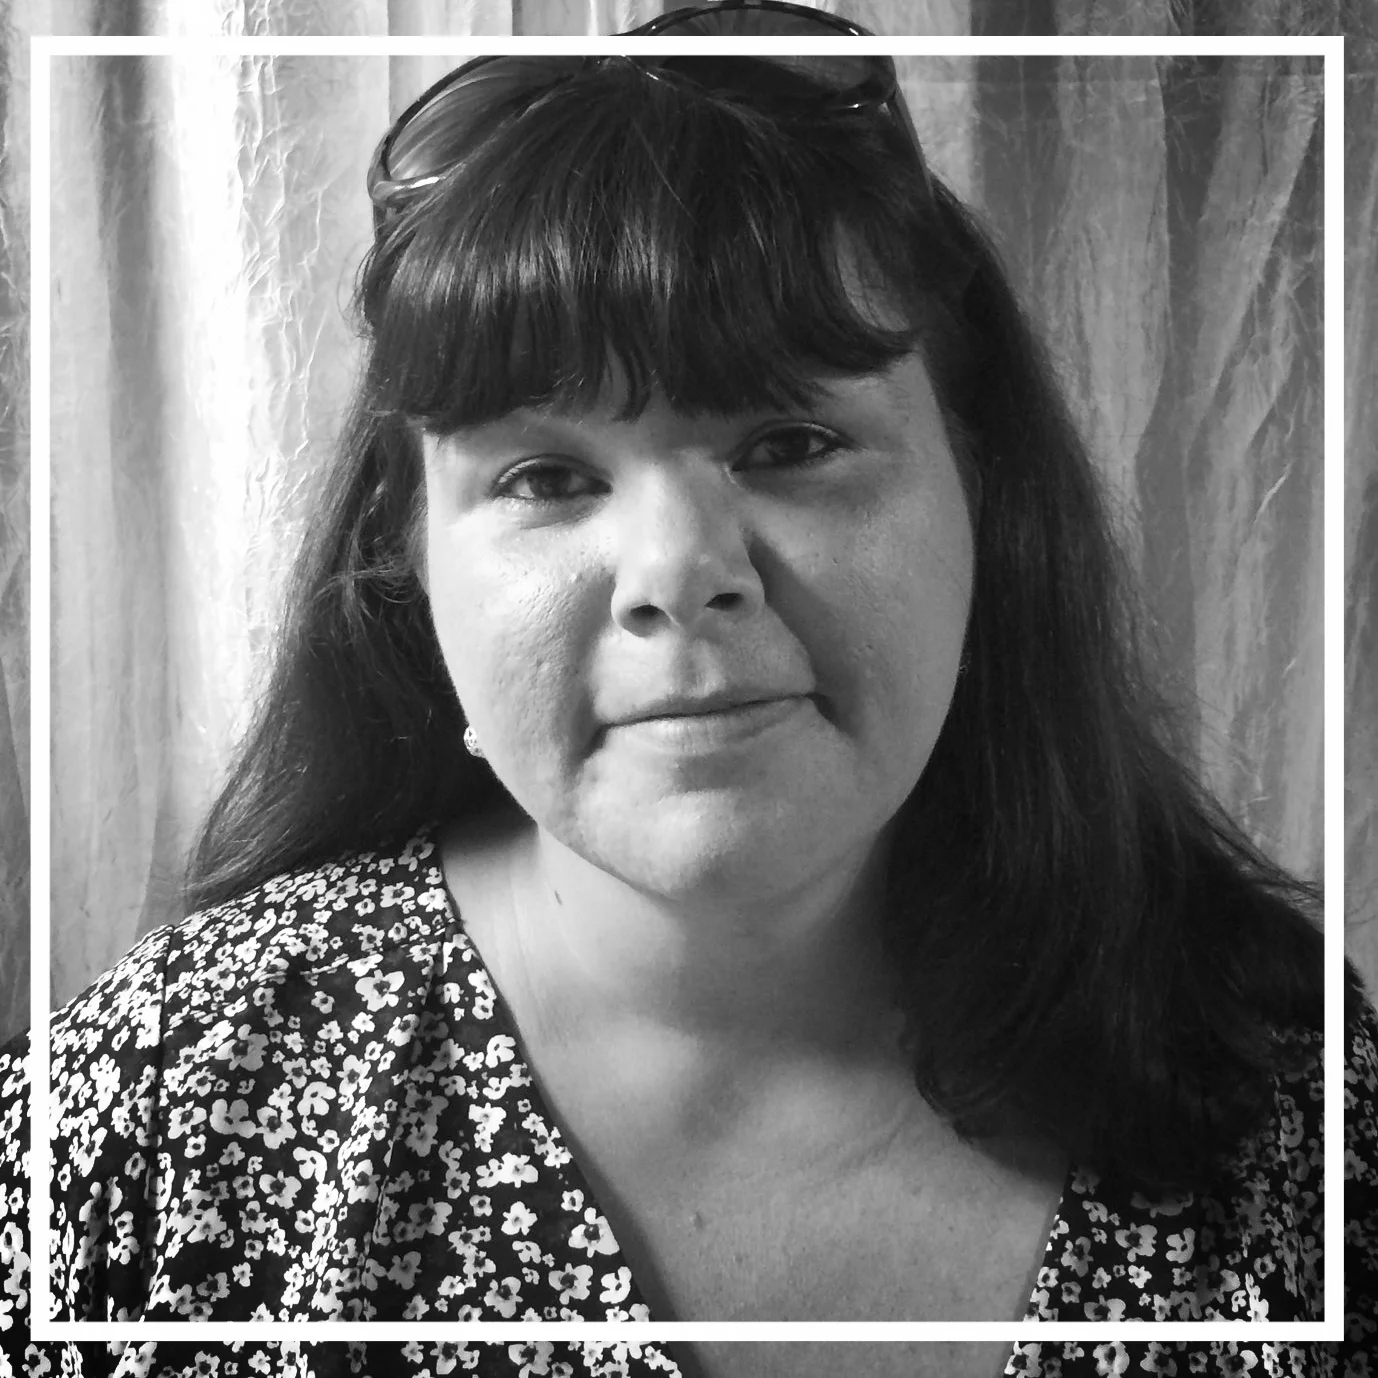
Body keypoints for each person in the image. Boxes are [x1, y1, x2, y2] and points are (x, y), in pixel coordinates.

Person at [2, 5, 1373, 1377]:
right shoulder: (141, 1120)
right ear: (412, 571)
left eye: (791, 441)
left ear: (986, 502)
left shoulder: (1292, 1100)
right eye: (545, 477)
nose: (676, 574)